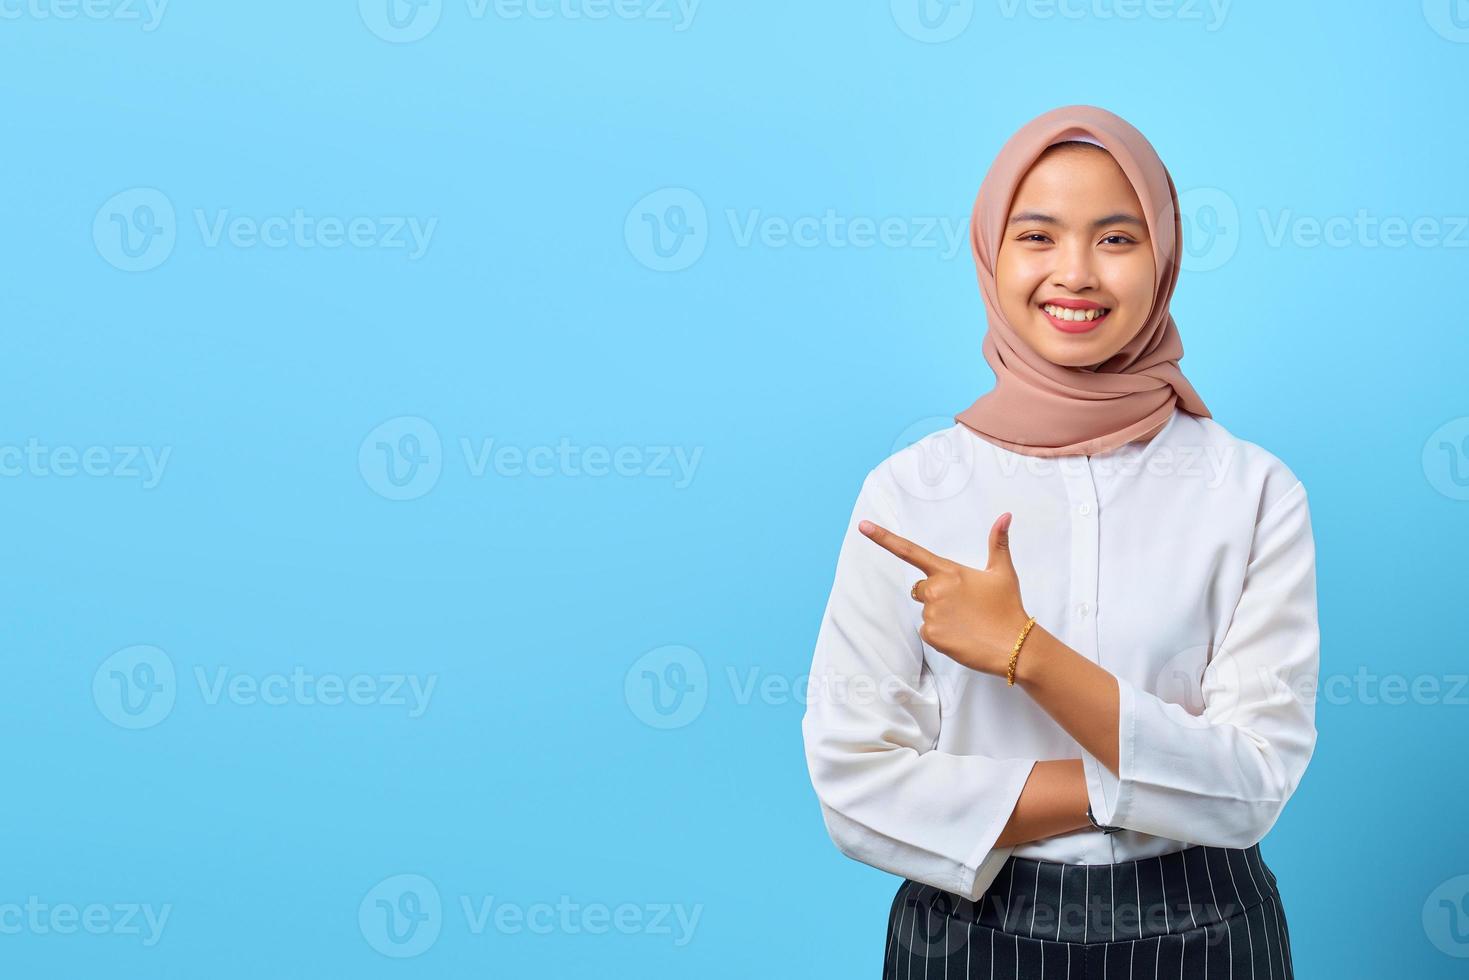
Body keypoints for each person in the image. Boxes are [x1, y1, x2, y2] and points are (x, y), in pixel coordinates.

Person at [800, 105, 1317, 979]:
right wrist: (1134, 785)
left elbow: (1252, 788)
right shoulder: (912, 492)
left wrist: (1025, 653)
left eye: (1116, 239)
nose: (1073, 274)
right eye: (1036, 235)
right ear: (989, 253)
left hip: (1208, 932)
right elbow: (854, 790)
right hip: (968, 934)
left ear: (1164, 257)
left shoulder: (1253, 491)